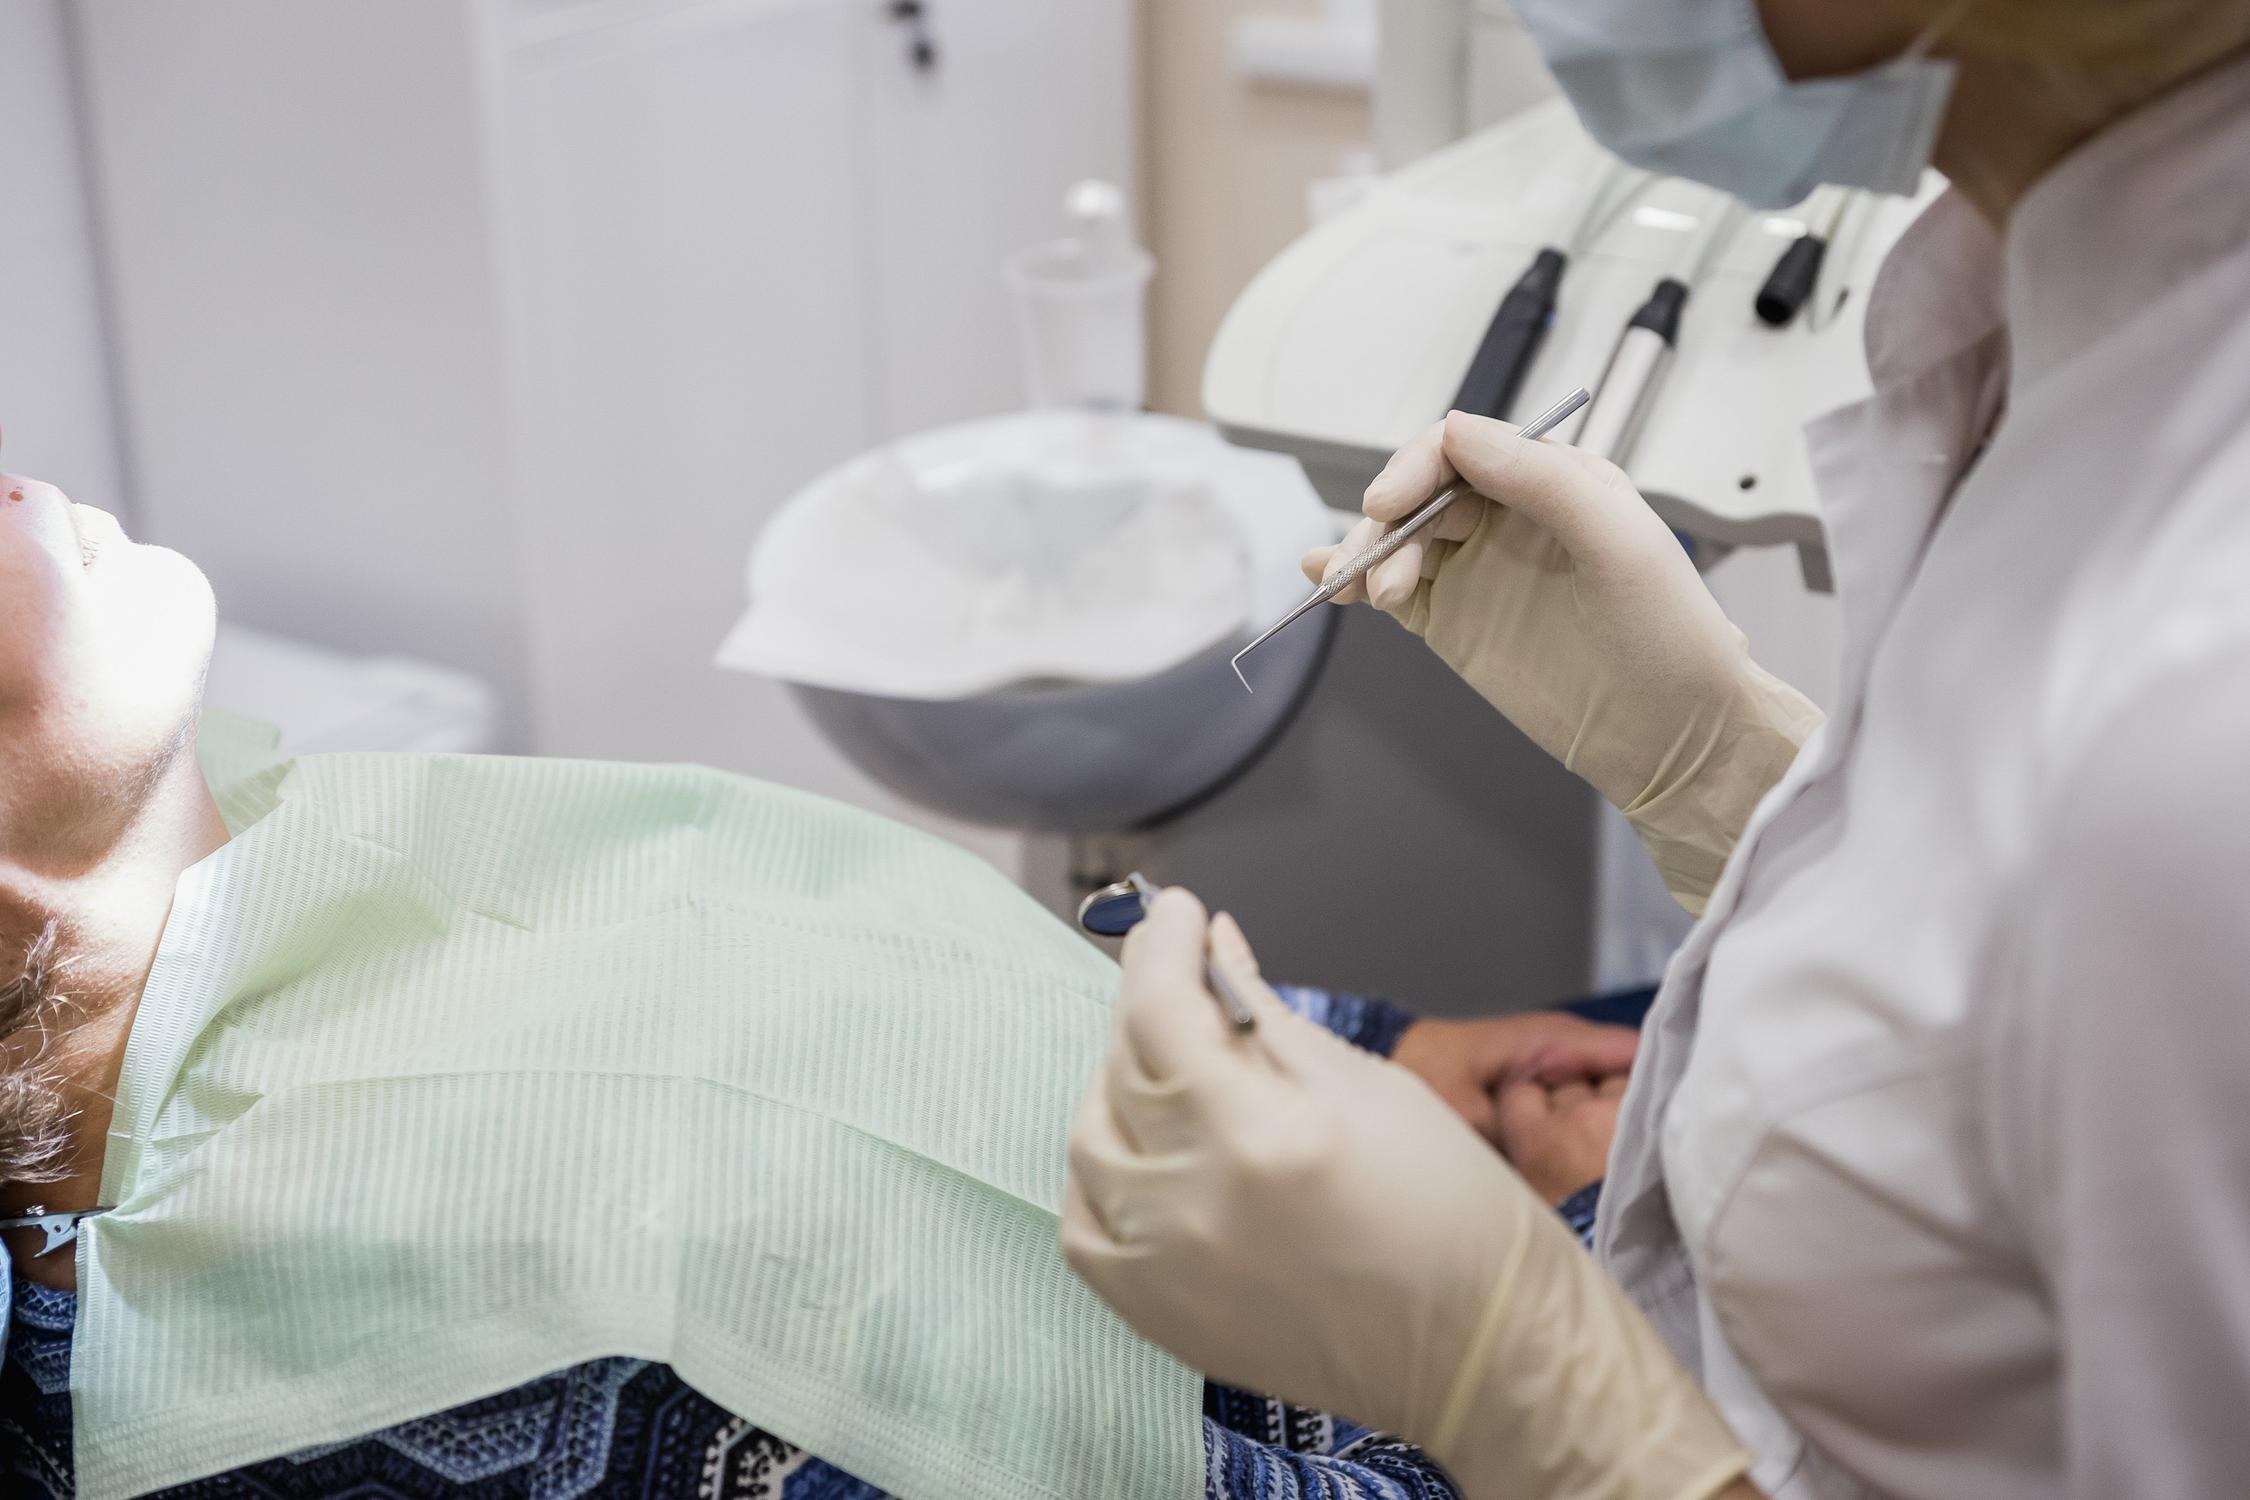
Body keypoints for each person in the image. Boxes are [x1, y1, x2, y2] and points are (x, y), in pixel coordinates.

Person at [1065, 1, 2250, 1497]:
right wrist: (1732, 778)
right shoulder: (2056, 300)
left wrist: (1523, 1385)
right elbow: (2026, 973)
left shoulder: (2197, 724)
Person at [0, 473, 1634, 1495]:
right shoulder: (408, 1366)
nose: (13, 481)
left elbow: (911, 999)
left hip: (1375, 1168)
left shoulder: (297, 846)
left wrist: (1383, 1061)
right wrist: (1538, 1283)